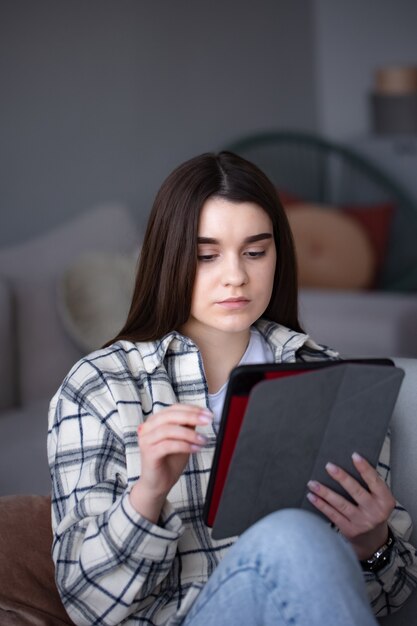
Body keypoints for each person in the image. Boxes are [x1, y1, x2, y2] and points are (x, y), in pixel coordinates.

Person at [48, 152, 417, 626]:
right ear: (169, 258)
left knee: (297, 539)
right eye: (206, 256)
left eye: (255, 252)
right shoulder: (97, 386)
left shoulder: (330, 379)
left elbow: (389, 598)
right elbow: (85, 604)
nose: (235, 276)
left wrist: (372, 543)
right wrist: (149, 493)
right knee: (293, 535)